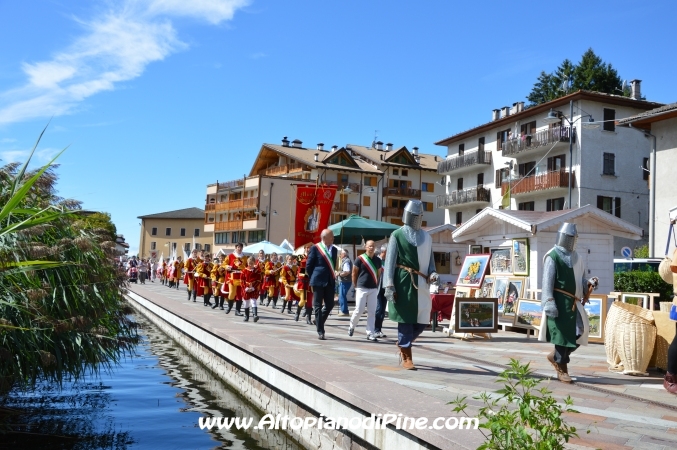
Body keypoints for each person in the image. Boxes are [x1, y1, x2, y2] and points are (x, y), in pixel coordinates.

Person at [383, 200, 438, 370]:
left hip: (421, 283)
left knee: (422, 320)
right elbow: (390, 262)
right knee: (405, 319)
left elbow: (431, 263)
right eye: (414, 215)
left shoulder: (427, 237)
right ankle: (407, 355)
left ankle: (403, 343)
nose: (416, 218)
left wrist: (433, 274)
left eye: (418, 216)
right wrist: (389, 285)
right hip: (403, 282)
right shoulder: (397, 235)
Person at [540, 223, 598, 384]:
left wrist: (588, 282)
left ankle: (556, 356)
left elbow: (579, 279)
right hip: (559, 301)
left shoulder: (577, 257)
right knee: (561, 336)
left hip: (573, 302)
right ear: (564, 237)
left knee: (580, 332)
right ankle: (562, 369)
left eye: (574, 238)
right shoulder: (553, 256)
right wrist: (549, 301)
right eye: (570, 237)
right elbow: (547, 282)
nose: (572, 241)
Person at [306, 229, 339, 340]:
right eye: (331, 236)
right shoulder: (315, 248)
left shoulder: (334, 250)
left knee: (330, 304)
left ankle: (318, 320)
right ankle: (321, 331)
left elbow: (333, 265)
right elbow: (308, 266)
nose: (333, 238)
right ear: (325, 238)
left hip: (329, 281)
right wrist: (313, 277)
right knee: (318, 306)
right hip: (318, 280)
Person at [349, 240, 382, 341]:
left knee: (372, 312)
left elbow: (379, 273)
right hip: (361, 287)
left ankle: (370, 333)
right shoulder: (359, 259)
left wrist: (376, 285)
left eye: (373, 246)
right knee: (359, 309)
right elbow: (354, 273)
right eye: (369, 246)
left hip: (373, 289)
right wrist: (355, 285)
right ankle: (352, 326)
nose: (371, 248)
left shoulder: (378, 260)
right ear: (365, 247)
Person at [225, 243, 247, 316]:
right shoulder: (230, 256)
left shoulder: (244, 258)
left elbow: (247, 266)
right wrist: (226, 266)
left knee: (240, 294)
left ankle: (237, 310)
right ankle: (229, 306)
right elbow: (224, 264)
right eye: (238, 247)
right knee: (232, 293)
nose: (239, 248)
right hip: (232, 276)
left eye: (241, 247)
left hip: (241, 277)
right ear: (235, 248)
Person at [373, 244, 388, 339]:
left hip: (385, 288)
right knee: (378, 309)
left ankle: (379, 329)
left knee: (382, 311)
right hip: (377, 288)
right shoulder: (376, 260)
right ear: (383, 252)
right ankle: (375, 330)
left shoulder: (388, 261)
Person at [242, 257, 261, 322]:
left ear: (254, 263)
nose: (250, 265)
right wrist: (246, 288)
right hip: (246, 289)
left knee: (253, 301)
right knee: (246, 303)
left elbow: (258, 281)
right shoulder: (244, 271)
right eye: (249, 263)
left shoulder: (257, 271)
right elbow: (242, 281)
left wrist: (253, 287)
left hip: (254, 288)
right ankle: (246, 316)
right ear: (247, 263)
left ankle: (255, 315)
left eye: (252, 263)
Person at [337, 249, 352, 316]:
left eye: (341, 253)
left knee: (342, 296)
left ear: (344, 254)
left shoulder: (346, 261)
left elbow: (347, 271)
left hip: (345, 281)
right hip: (344, 281)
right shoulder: (345, 261)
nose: (340, 255)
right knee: (341, 296)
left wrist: (339, 274)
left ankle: (344, 311)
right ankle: (344, 310)